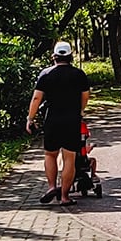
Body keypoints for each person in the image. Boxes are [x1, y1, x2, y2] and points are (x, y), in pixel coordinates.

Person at [27, 41, 91, 204]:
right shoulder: (79, 74)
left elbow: (36, 98)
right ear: (70, 56)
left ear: (54, 56)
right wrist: (81, 111)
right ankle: (64, 196)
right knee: (69, 157)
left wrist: (30, 118)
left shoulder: (45, 74)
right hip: (71, 119)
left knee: (50, 154)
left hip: (52, 118)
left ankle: (50, 187)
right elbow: (85, 96)